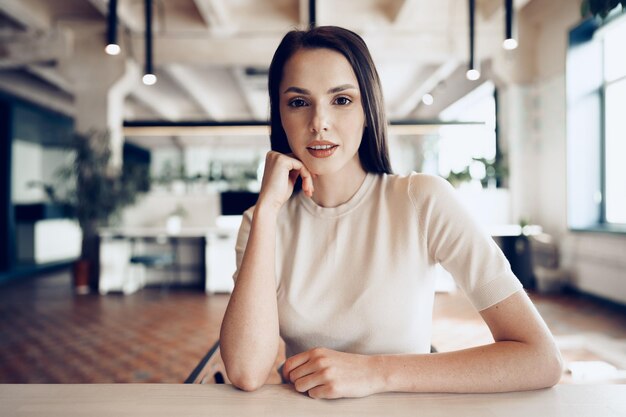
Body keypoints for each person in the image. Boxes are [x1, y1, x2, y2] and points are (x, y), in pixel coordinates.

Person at [219, 25, 563, 399]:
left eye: (342, 100)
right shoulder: (262, 221)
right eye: (299, 102)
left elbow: (540, 358)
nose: (319, 122)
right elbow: (246, 371)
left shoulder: (422, 199)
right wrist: (268, 210)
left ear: (369, 110)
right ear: (280, 115)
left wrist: (375, 372)